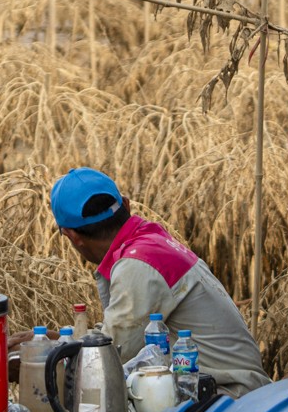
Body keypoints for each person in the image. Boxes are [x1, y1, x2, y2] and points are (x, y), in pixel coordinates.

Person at [48, 168, 267, 395]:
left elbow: (110, 357)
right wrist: (60, 341)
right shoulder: (150, 243)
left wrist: (46, 357)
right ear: (126, 205)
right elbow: (121, 336)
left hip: (229, 395)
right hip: (228, 388)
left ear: (72, 236)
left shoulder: (138, 264)